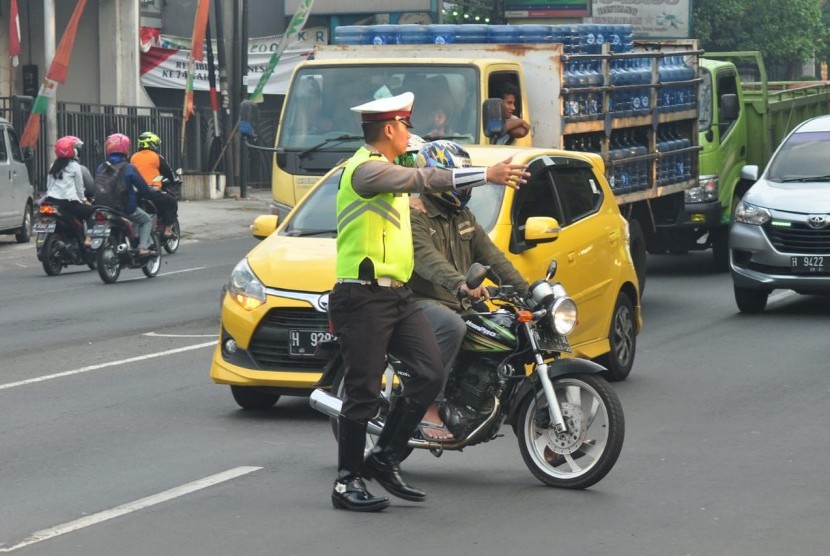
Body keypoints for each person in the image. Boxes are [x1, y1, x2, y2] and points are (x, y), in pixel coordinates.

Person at [328, 91, 529, 512]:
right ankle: (346, 482)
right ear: (388, 129)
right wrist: (483, 175)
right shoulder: (364, 172)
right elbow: (425, 178)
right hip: (362, 297)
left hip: (397, 296)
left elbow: (425, 169)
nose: (409, 133)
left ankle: (384, 457)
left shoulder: (394, 165)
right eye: (405, 126)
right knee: (363, 393)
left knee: (429, 373)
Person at [408, 140, 530, 440]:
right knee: (452, 327)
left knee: (506, 332)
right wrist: (461, 284)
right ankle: (429, 406)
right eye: (454, 177)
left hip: (459, 300)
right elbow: (429, 261)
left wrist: (528, 291)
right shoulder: (415, 215)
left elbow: (493, 257)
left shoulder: (464, 217)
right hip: (420, 302)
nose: (461, 186)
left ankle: (513, 410)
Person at [94, 133, 160, 256]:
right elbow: (143, 187)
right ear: (126, 149)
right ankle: (142, 247)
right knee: (146, 220)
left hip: (102, 207)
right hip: (123, 208)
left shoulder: (101, 167)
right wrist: (152, 194)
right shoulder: (128, 168)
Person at [44, 135, 95, 248]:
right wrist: (84, 201)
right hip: (68, 203)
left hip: (50, 201)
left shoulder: (53, 165)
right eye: (75, 148)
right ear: (71, 151)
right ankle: (88, 238)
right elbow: (80, 188)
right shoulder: (75, 166)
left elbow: (48, 185)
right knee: (92, 212)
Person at [130, 131, 179, 239]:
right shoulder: (156, 157)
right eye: (155, 144)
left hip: (136, 194)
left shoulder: (133, 157)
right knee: (171, 202)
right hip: (152, 192)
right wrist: (173, 180)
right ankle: (167, 230)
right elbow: (168, 173)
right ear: (151, 144)